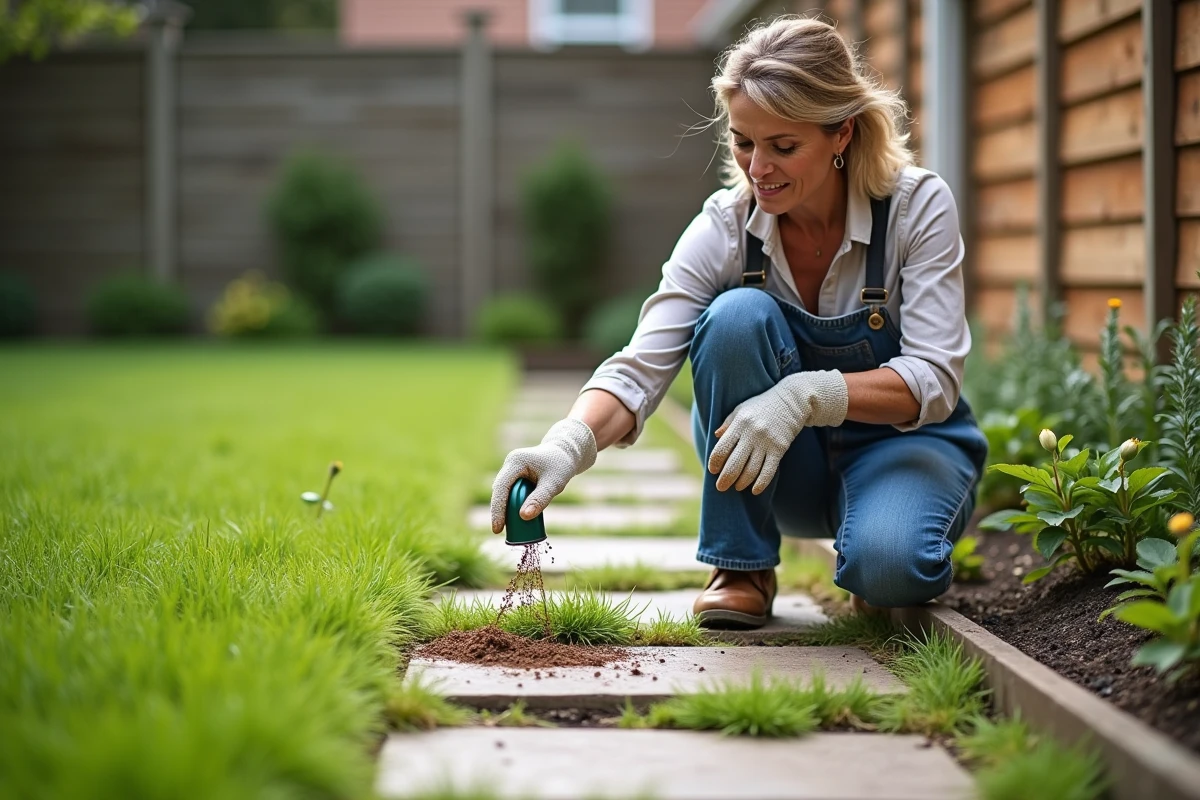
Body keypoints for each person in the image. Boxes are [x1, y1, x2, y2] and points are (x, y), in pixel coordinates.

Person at [489, 15, 989, 630]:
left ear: (841, 134)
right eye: (743, 141)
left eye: (784, 146)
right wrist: (564, 443)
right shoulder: (727, 225)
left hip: (903, 448)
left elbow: (936, 379)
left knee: (889, 572)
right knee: (734, 318)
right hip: (779, 469)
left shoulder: (917, 207)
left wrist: (808, 393)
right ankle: (742, 565)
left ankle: (874, 555)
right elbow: (642, 366)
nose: (758, 168)